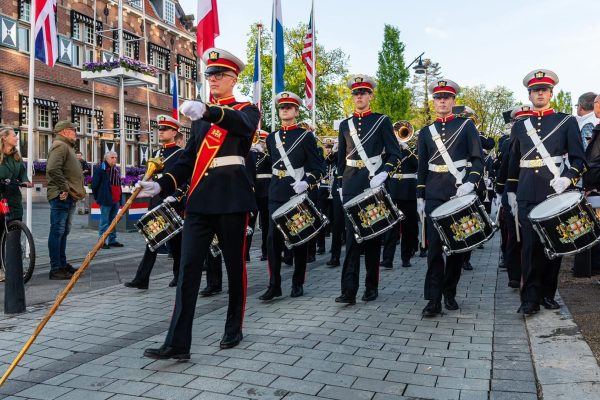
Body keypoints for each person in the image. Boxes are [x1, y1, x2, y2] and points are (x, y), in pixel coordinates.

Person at [137, 48, 260, 358]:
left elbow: (242, 126)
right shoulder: (200, 119)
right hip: (200, 200)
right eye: (209, 75)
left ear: (234, 79)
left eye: (219, 75)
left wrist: (208, 111)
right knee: (189, 270)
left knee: (234, 266)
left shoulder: (247, 109)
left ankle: (234, 326)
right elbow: (189, 159)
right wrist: (162, 184)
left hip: (231, 197)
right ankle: (177, 343)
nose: (213, 79)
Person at [506, 69, 585, 315]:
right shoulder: (520, 126)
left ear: (551, 93)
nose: (539, 94)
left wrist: (568, 178)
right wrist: (509, 191)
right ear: (529, 95)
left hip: (554, 191)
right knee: (529, 247)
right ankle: (529, 298)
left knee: (554, 245)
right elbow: (513, 163)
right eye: (535, 90)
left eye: (544, 90)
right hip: (527, 191)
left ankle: (548, 294)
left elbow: (579, 159)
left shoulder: (566, 121)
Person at [417, 79, 484, 316]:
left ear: (454, 101)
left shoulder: (466, 126)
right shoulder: (426, 132)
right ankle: (433, 299)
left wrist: (471, 182)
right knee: (434, 249)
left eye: (447, 97)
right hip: (435, 193)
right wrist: (420, 195)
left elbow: (478, 159)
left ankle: (449, 291)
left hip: (459, 193)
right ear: (433, 101)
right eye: (438, 97)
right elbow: (422, 167)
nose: (442, 100)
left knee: (457, 247)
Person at [335, 75, 402, 304]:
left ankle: (371, 287)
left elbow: (395, 153)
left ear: (371, 95)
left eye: (363, 92)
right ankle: (348, 290)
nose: (359, 96)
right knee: (352, 237)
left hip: (373, 181)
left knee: (373, 237)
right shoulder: (345, 124)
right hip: (351, 182)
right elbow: (341, 160)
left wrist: (385, 172)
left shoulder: (382, 121)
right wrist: (339, 183)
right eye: (356, 93)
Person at [258, 91, 324, 301]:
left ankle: (297, 283)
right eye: (281, 107)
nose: (284, 110)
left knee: (298, 238)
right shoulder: (271, 138)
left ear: (296, 111)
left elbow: (318, 167)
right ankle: (274, 285)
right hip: (276, 191)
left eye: (289, 107)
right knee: (272, 240)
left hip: (297, 192)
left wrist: (307, 181)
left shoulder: (306, 137)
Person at [124, 115, 187, 289]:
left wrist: (176, 196)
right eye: (159, 129)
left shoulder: (181, 154)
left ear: (174, 132)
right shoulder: (156, 153)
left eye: (165, 129)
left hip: (172, 201)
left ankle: (176, 275)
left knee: (175, 242)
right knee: (153, 239)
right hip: (156, 200)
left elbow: (184, 180)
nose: (160, 132)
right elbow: (151, 176)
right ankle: (143, 279)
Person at [495, 105, 534, 288]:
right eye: (520, 120)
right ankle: (514, 274)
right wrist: (501, 191)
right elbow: (506, 167)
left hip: (532, 191)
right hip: (513, 191)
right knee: (512, 234)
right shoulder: (508, 142)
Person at [46, 120, 86, 280]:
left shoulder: (67, 146)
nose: (75, 132)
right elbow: (52, 169)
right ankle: (56, 268)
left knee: (63, 232)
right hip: (61, 196)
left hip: (68, 195)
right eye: (72, 129)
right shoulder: (60, 146)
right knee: (57, 231)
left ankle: (62, 264)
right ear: (64, 131)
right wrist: (64, 188)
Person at [0, 126, 31, 313]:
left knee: (14, 234)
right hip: (0, 197)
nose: (16, 138)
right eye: (13, 135)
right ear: (4, 138)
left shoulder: (17, 156)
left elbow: (22, 173)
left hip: (13, 199)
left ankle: (13, 267)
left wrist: (26, 180)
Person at [381, 122, 418, 269]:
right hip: (393, 190)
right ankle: (387, 259)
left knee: (408, 228)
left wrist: (407, 150)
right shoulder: (389, 151)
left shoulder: (412, 151)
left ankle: (406, 257)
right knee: (391, 227)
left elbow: (418, 165)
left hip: (409, 192)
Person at [91, 151, 123, 249]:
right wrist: (98, 198)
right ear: (107, 158)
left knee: (113, 221)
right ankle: (102, 241)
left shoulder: (116, 169)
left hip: (116, 199)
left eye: (116, 157)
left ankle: (112, 240)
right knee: (104, 221)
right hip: (106, 199)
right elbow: (95, 185)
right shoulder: (101, 169)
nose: (115, 159)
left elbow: (118, 184)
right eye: (112, 157)